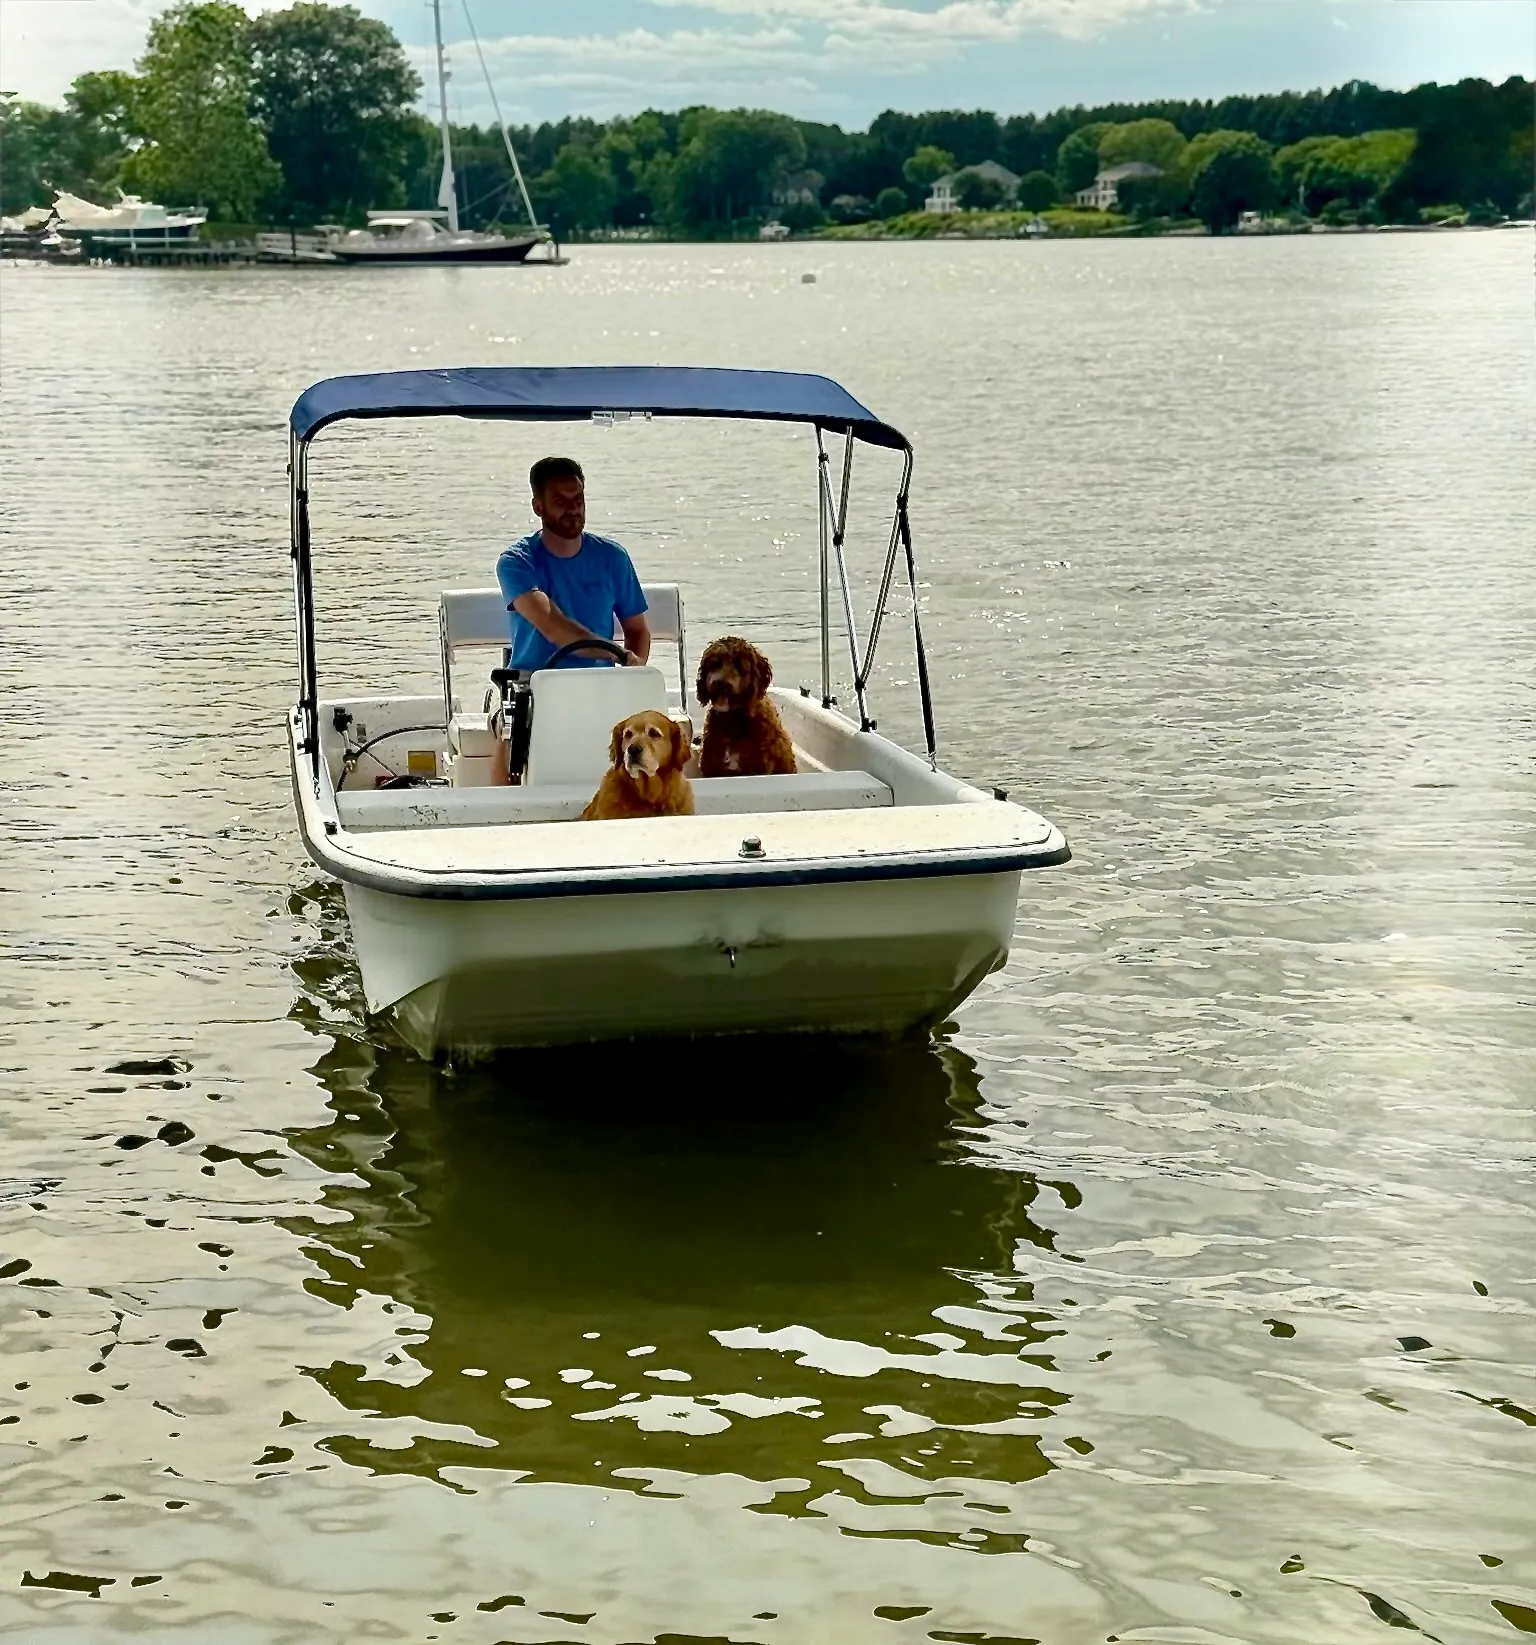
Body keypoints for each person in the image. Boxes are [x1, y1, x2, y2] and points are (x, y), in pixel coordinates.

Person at [496, 457, 651, 671]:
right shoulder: (516, 562)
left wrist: (633, 670)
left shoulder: (614, 557)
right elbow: (554, 626)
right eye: (561, 502)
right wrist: (617, 654)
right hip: (535, 686)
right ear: (538, 506)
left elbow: (637, 630)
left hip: (601, 687)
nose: (573, 509)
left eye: (578, 500)